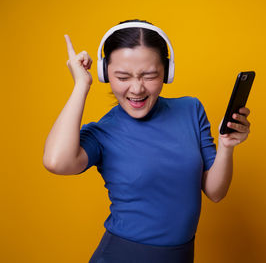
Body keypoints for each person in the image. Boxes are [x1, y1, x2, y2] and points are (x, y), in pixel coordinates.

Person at [42, 19, 251, 263]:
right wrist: (81, 85)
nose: (137, 89)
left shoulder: (191, 110)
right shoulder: (104, 132)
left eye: (150, 75)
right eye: (122, 77)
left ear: (167, 72)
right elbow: (56, 162)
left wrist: (227, 146)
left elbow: (216, 192)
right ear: (104, 73)